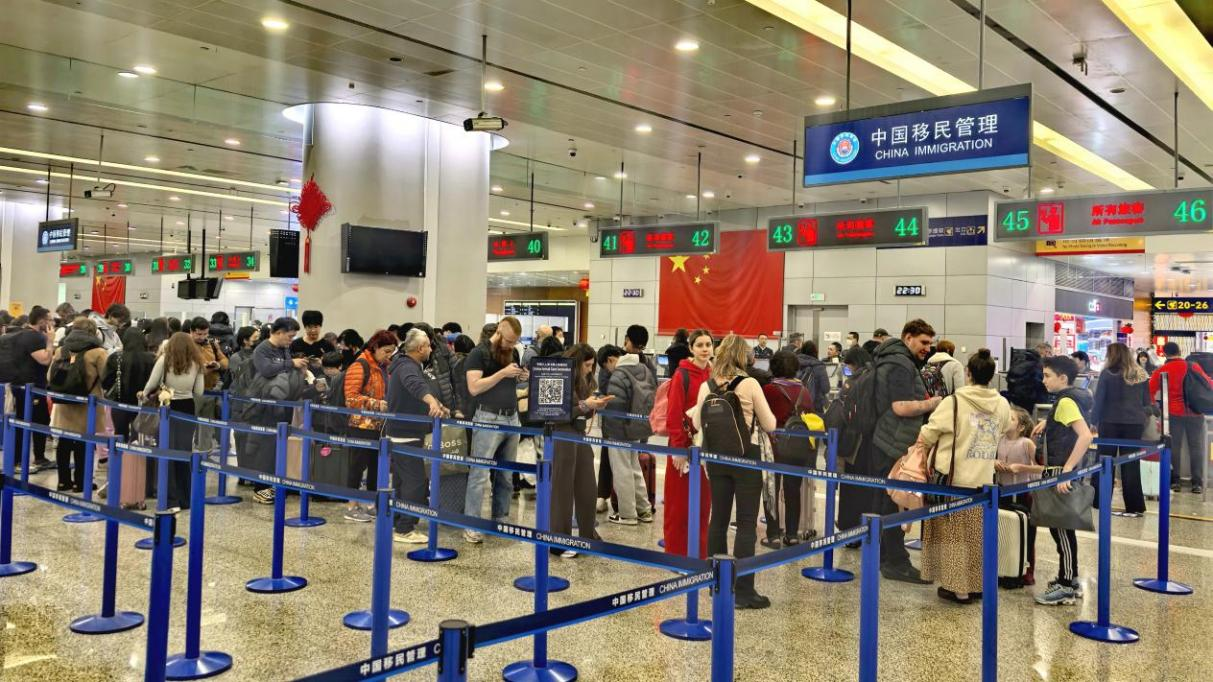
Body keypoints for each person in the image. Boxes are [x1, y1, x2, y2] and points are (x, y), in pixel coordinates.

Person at [690, 334, 778, 609]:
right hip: (746, 457)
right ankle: (743, 591)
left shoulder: (707, 386)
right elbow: (771, 424)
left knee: (718, 518)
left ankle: (715, 581)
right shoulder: (749, 383)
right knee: (746, 522)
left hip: (716, 458)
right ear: (744, 357)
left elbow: (695, 422)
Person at [918, 349, 1011, 604]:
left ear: (968, 373)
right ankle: (977, 584)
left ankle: (958, 589)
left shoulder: (954, 402)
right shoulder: (1001, 404)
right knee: (976, 536)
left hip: (953, 479)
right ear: (992, 376)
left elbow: (929, 433)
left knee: (953, 537)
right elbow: (1006, 427)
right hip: (984, 480)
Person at [867, 319, 939, 583]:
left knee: (883, 499)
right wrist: (932, 403)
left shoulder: (891, 358)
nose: (927, 348)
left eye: (930, 343)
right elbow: (900, 406)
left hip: (885, 437)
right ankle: (896, 562)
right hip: (893, 439)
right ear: (908, 337)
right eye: (923, 342)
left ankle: (884, 556)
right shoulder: (900, 364)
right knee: (892, 501)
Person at [1027, 355, 1095, 606]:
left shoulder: (1066, 402)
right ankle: (1068, 577)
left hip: (1060, 472)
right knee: (1061, 529)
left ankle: (1067, 584)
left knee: (1062, 530)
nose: (1043, 380)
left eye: (1047, 376)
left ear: (1062, 378)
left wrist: (1066, 470)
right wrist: (1050, 421)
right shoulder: (1072, 398)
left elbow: (1085, 436)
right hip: (1060, 469)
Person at [463, 316, 527, 543]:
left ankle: (501, 518)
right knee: (479, 474)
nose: (511, 346)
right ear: (499, 331)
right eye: (509, 341)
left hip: (512, 418)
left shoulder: (515, 353)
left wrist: (523, 377)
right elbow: (474, 388)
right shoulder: (478, 353)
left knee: (506, 475)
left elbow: (514, 382)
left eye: (514, 342)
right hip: (488, 417)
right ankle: (471, 523)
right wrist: (502, 373)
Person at [386, 328, 450, 543]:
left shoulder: (403, 363)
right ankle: (404, 529)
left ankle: (396, 521)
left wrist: (438, 404)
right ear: (421, 348)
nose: (431, 349)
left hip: (402, 432)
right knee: (416, 483)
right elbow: (415, 385)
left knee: (403, 482)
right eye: (429, 346)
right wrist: (431, 401)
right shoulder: (407, 366)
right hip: (405, 434)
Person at [549, 344, 612, 556]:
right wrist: (586, 405)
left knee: (588, 485)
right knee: (562, 489)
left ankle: (587, 533)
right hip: (561, 434)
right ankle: (559, 541)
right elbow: (555, 412)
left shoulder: (583, 380)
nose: (588, 369)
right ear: (577, 363)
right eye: (586, 365)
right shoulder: (558, 376)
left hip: (578, 433)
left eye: (591, 366)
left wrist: (594, 405)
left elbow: (580, 410)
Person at [242, 317, 308, 504]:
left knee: (277, 448)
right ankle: (260, 488)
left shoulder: (285, 349)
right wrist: (291, 364)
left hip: (281, 404)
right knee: (264, 448)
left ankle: (274, 485)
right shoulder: (262, 349)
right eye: (289, 336)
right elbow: (267, 370)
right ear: (278, 333)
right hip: (263, 406)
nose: (291, 340)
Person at [663, 329, 713, 557]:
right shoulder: (681, 375)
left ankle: (699, 553)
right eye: (700, 345)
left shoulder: (713, 374)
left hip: (706, 449)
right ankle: (677, 555)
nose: (705, 349)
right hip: (684, 448)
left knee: (703, 506)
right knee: (679, 507)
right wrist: (678, 449)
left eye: (708, 344)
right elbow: (673, 414)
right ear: (691, 348)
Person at [142, 332, 205, 509]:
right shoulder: (197, 363)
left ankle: (170, 498)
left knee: (166, 451)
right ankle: (185, 498)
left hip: (167, 406)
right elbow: (199, 391)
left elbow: (151, 384)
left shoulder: (164, 360)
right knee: (184, 452)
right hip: (187, 407)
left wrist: (144, 394)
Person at [603, 324, 657, 525]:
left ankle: (627, 514)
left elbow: (615, 406)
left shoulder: (619, 373)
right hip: (638, 427)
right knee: (634, 468)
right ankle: (644, 510)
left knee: (622, 471)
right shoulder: (645, 368)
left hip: (619, 430)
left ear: (627, 341)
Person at [761, 350, 815, 548]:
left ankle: (773, 534)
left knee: (771, 490)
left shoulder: (769, 390)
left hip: (774, 446)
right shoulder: (804, 391)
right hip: (798, 447)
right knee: (793, 491)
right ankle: (792, 534)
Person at [48, 317, 108, 492]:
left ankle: (63, 481)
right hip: (88, 406)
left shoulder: (61, 350)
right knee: (84, 444)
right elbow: (106, 377)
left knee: (64, 443)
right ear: (93, 332)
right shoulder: (97, 352)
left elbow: (48, 378)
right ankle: (81, 482)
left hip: (64, 404)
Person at [341, 330, 396, 522]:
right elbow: (351, 398)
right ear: (375, 347)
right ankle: (351, 505)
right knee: (356, 465)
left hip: (379, 426)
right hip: (360, 425)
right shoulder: (360, 365)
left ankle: (372, 503)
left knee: (376, 465)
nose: (389, 355)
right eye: (387, 351)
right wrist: (376, 403)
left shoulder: (383, 367)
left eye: (392, 352)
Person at [1091, 343, 1151, 515]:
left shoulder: (1107, 374)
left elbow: (1099, 400)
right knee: (1131, 463)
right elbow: (1147, 401)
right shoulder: (1140, 374)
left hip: (1110, 422)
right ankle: (1135, 505)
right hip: (1134, 424)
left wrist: (1092, 421)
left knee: (1104, 462)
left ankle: (1099, 502)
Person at [1149, 342, 1205, 493]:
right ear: (1180, 351)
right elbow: (1209, 384)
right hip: (1195, 413)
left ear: (1165, 354)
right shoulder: (1193, 366)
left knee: (1174, 447)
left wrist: (1156, 408)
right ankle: (1197, 483)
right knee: (1196, 447)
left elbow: (1149, 391)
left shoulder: (1162, 370)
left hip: (1173, 414)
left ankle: (1175, 481)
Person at [6, 306, 55, 472]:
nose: (51, 323)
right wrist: (50, 341)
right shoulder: (35, 338)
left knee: (35, 421)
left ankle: (35, 458)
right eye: (49, 320)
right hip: (31, 388)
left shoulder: (20, 334)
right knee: (35, 423)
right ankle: (22, 460)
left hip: (21, 385)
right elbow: (44, 360)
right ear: (41, 321)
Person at [996, 407, 1039, 585]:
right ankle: (1005, 567)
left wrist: (1022, 468)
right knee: (1005, 531)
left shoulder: (1027, 444)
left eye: (1011, 419)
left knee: (1027, 533)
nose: (1007, 421)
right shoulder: (998, 440)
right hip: (1002, 491)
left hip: (1023, 493)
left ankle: (1026, 570)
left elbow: (1041, 469)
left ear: (1021, 427)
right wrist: (994, 463)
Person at [103, 326, 156, 448]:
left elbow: (106, 382)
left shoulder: (115, 358)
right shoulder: (152, 359)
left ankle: (118, 464)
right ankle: (137, 465)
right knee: (140, 439)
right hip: (144, 404)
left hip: (119, 403)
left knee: (119, 435)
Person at [594, 344, 625, 513]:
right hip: (612, 422)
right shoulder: (608, 369)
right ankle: (603, 496)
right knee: (608, 457)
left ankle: (624, 501)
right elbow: (607, 390)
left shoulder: (635, 364)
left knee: (628, 462)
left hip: (628, 422)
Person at [1006, 343, 1052, 413]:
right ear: (1046, 353)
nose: (1051, 356)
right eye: (1050, 354)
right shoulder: (1039, 366)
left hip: (1015, 402)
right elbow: (1041, 385)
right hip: (1034, 406)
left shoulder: (1018, 362)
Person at [796, 341, 830, 414]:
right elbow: (826, 388)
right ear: (815, 352)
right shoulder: (819, 366)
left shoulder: (795, 363)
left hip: (798, 404)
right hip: (816, 406)